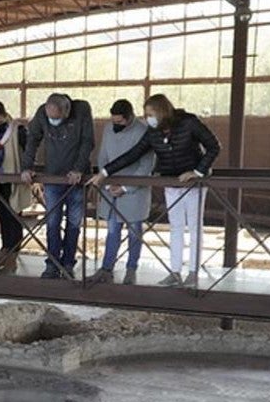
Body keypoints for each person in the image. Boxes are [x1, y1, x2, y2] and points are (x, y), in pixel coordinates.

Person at [88, 94, 220, 286]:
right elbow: (133, 154)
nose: (147, 117)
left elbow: (214, 146)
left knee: (194, 226)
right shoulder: (153, 132)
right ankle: (175, 272)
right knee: (175, 227)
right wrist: (105, 173)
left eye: (150, 113)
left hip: (194, 184)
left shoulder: (188, 122)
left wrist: (197, 172)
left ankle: (193, 272)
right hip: (170, 181)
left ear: (161, 111)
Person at [21, 93, 95, 279]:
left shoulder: (82, 110)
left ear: (67, 111)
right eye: (50, 117)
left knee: (73, 222)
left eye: (56, 118)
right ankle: (52, 263)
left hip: (76, 179)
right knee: (52, 222)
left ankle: (68, 263)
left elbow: (88, 142)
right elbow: (32, 139)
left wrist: (78, 169)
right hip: (53, 177)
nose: (53, 121)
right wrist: (26, 167)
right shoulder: (42, 113)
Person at [88, 99, 153, 286]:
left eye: (119, 122)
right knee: (112, 230)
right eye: (113, 121)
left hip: (134, 192)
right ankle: (106, 268)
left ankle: (131, 269)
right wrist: (106, 184)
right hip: (110, 188)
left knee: (134, 232)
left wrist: (126, 187)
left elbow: (146, 165)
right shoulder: (109, 129)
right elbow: (103, 157)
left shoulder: (143, 132)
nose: (115, 125)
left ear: (130, 117)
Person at [0, 101, 30, 274]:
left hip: (13, 180)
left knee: (14, 218)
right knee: (2, 217)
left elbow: (27, 151)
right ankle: (4, 251)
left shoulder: (17, 130)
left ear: (4, 115)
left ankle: (12, 257)